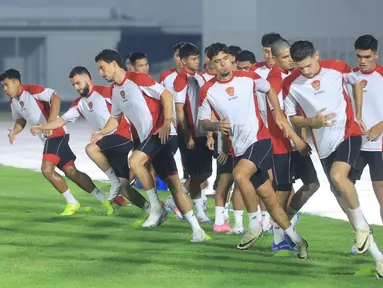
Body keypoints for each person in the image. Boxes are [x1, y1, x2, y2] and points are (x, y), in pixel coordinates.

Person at [198, 43, 308, 258]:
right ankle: (297, 240)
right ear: (211, 65)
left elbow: (270, 90)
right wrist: (215, 126)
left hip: (260, 140)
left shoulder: (248, 78)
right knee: (269, 198)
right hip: (237, 148)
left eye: (225, 60)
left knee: (239, 175)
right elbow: (203, 122)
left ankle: (254, 225)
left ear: (231, 59)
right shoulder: (207, 90)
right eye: (217, 62)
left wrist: (277, 113)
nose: (222, 65)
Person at [92, 49, 209, 241]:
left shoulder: (137, 79)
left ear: (113, 64)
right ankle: (198, 230)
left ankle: (156, 209)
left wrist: (166, 121)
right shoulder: (115, 91)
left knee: (136, 161)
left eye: (102, 68)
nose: (101, 73)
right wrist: (102, 132)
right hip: (148, 139)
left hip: (161, 134)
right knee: (174, 186)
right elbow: (115, 119)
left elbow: (166, 95)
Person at [31, 66, 151, 213]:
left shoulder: (106, 92)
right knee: (124, 188)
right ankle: (151, 210)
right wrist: (43, 127)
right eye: (74, 85)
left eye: (78, 83)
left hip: (122, 138)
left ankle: (113, 181)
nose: (76, 87)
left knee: (91, 148)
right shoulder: (79, 103)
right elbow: (61, 121)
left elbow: (129, 107)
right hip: (107, 144)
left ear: (87, 79)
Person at [1, 69, 113, 216]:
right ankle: (105, 199)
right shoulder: (14, 101)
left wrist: (51, 121)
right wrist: (14, 131)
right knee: (71, 172)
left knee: (47, 170)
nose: (5, 89)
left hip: (56, 134)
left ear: (16, 82)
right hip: (49, 138)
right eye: (3, 86)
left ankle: (72, 203)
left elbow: (55, 98)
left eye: (7, 85)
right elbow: (20, 121)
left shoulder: (33, 90)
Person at [266, 39, 320, 252]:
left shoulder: (293, 77)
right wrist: (297, 140)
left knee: (312, 184)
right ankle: (279, 237)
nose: (291, 60)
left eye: (291, 56)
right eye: (286, 57)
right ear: (274, 58)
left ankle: (283, 223)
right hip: (281, 144)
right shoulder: (275, 80)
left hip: (293, 143)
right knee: (283, 189)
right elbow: (279, 117)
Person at [174, 43, 213, 222]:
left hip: (203, 132)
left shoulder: (199, 77)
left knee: (205, 174)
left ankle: (176, 200)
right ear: (183, 61)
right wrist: (188, 135)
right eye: (193, 59)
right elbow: (180, 110)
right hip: (190, 135)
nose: (196, 61)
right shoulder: (181, 79)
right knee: (197, 174)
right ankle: (196, 210)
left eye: (198, 58)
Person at [352, 35, 383, 224]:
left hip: (379, 146)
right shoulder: (350, 76)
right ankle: (362, 235)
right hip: (355, 144)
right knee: (343, 188)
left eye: (367, 57)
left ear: (376, 55)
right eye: (359, 57)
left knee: (380, 190)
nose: (362, 61)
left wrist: (381, 125)